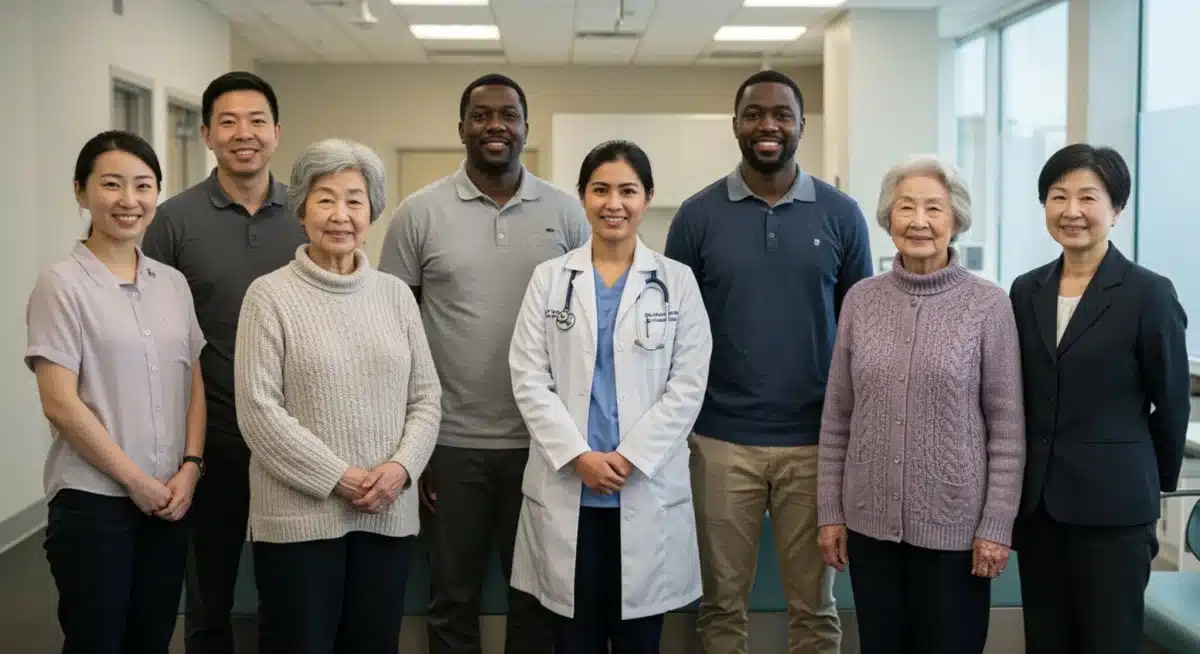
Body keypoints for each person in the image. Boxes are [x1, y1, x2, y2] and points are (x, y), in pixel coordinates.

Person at [378, 72, 589, 654]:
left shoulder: (566, 214)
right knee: (451, 598)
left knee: (537, 599)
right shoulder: (418, 214)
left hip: (542, 443)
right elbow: (392, 331)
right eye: (481, 115)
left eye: (508, 114)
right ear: (463, 127)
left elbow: (587, 327)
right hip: (450, 444)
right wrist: (409, 450)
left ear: (524, 126)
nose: (495, 124)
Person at [664, 69, 873, 654]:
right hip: (720, 441)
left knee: (814, 608)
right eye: (755, 113)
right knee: (721, 606)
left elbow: (862, 329)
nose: (768, 126)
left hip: (815, 444)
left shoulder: (841, 215)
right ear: (735, 124)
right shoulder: (697, 216)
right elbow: (676, 328)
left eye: (782, 114)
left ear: (802, 125)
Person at [233, 138, 442, 654]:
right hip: (299, 522)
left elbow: (426, 398)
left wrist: (399, 471)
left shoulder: (395, 294)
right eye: (326, 199)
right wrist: (341, 478)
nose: (341, 214)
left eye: (355, 199)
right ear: (301, 209)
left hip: (387, 513)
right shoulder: (269, 295)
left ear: (372, 210)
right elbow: (259, 413)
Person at [508, 140, 712, 653]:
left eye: (627, 190)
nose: (613, 203)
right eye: (601, 190)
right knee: (572, 639)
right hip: (570, 484)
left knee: (640, 639)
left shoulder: (677, 282)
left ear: (647, 198)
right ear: (582, 197)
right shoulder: (550, 280)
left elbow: (688, 385)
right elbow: (529, 377)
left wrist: (628, 457)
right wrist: (580, 456)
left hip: (642, 486)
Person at [815, 155, 1025, 654]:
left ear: (955, 220)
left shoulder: (988, 304)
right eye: (905, 208)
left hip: (957, 533)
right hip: (869, 528)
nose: (919, 221)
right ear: (888, 220)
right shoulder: (861, 300)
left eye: (934, 208)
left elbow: (1008, 428)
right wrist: (830, 511)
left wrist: (996, 526)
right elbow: (838, 417)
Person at [141, 70, 306, 654]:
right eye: (229, 122)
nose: (245, 134)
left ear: (277, 132)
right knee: (208, 592)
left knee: (288, 595)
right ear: (207, 134)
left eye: (257, 120)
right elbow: (154, 336)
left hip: (293, 439)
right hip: (210, 436)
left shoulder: (308, 216)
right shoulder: (173, 221)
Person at [26, 130, 206, 654]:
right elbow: (58, 401)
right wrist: (134, 480)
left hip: (171, 499)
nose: (129, 201)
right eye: (111, 185)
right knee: (97, 641)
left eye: (143, 186)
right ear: (81, 192)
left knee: (151, 638)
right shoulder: (60, 284)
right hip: (95, 503)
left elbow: (192, 379)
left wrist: (190, 466)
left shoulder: (172, 283)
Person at [1009, 144, 1190, 654]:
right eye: (1057, 196)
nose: (1071, 211)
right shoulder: (1026, 291)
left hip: (1115, 510)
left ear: (1116, 209)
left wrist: (1148, 486)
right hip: (1039, 507)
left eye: (1088, 197)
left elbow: (1173, 403)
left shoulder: (1148, 293)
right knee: (1046, 639)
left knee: (1109, 641)